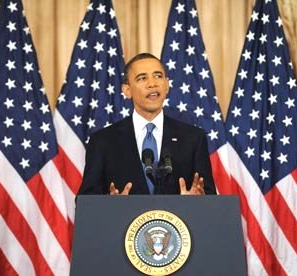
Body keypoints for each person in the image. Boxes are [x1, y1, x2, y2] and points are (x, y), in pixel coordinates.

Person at [78, 53, 216, 195]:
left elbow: (209, 196)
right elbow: (86, 203)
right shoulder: (102, 141)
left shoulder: (193, 138)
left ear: (167, 85)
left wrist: (198, 200)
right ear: (127, 90)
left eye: (158, 76)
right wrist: (110, 206)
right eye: (142, 78)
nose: (152, 84)